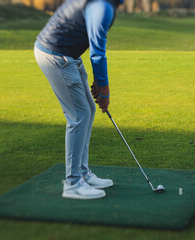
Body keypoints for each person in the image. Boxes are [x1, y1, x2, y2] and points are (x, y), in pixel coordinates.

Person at [34, 0, 122, 199]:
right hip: (55, 55)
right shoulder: (102, 6)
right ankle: (73, 183)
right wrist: (105, 92)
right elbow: (97, 52)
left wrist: (99, 84)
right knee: (78, 115)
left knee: (88, 109)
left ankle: (82, 174)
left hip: (69, 55)